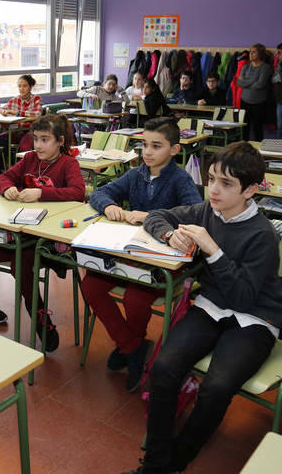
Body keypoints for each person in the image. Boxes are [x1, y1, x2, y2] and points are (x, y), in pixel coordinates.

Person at [122, 142, 282, 474]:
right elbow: (157, 216)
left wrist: (213, 250)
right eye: (211, 178)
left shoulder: (262, 234)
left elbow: (243, 297)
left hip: (255, 318)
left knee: (217, 386)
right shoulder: (206, 211)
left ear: (251, 190)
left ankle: (176, 462)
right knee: (165, 368)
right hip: (211, 307)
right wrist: (169, 235)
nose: (213, 189)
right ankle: (154, 466)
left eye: (226, 184)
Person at [83, 117, 202, 391]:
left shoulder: (180, 179)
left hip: (162, 263)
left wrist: (151, 216)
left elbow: (196, 214)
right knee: (91, 285)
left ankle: (130, 345)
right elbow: (100, 193)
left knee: (135, 298)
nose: (147, 152)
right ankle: (133, 346)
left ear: (174, 149)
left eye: (156, 146)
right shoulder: (137, 173)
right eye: (144, 145)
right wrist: (109, 206)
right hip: (131, 253)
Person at [0, 115, 85, 350]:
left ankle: (42, 320)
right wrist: (8, 188)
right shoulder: (30, 159)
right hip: (21, 231)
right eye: (35, 139)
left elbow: (78, 192)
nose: (38, 145)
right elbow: (2, 177)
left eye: (45, 140)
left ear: (60, 141)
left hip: (48, 238)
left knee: (20, 264)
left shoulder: (68, 163)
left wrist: (42, 194)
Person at [236, 43, 273, 141]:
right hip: (244, 101)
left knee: (258, 129)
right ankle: (243, 150)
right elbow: (239, 83)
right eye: (250, 52)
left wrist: (246, 81)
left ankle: (258, 152)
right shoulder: (245, 67)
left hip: (258, 103)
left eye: (253, 52)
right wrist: (253, 80)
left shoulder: (265, 67)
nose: (250, 54)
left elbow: (260, 84)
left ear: (260, 54)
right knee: (244, 128)